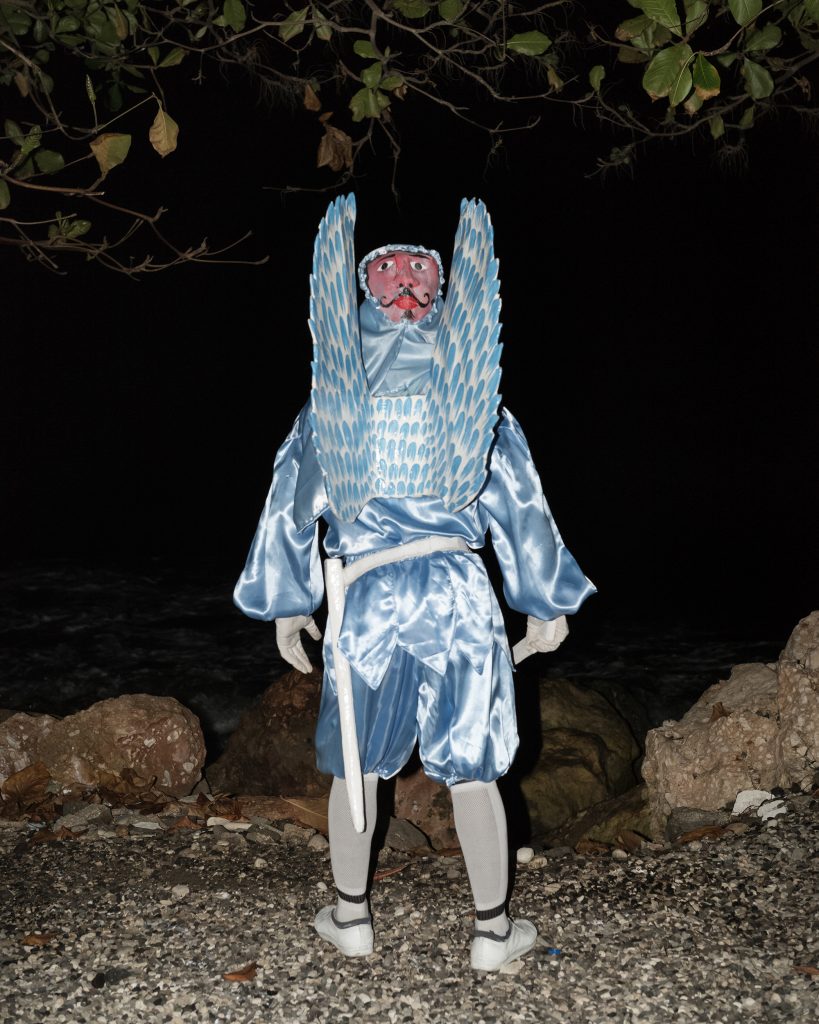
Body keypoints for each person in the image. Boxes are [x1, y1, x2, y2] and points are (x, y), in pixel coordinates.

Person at [234, 195, 595, 971]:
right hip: (456, 592)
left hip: (365, 593)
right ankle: (491, 933)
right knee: (473, 765)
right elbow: (519, 502)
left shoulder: (333, 402)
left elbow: (291, 503)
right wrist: (544, 601)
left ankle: (351, 916)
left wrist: (287, 603)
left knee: (357, 762)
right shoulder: (473, 400)